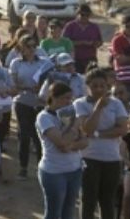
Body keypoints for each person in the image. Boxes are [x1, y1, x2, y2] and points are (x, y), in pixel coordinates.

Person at [74, 68, 129, 219]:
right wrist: (98, 108)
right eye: (94, 86)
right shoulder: (80, 103)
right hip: (89, 158)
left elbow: (123, 129)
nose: (98, 89)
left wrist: (98, 134)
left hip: (112, 158)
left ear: (107, 86)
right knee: (88, 200)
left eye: (102, 86)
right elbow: (86, 128)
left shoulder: (116, 103)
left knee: (107, 201)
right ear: (87, 87)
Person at [36, 82, 88, 219]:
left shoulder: (71, 116)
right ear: (53, 98)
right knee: (54, 212)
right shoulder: (44, 117)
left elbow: (84, 142)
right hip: (53, 172)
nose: (69, 102)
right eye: (65, 98)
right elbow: (60, 141)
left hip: (74, 169)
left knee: (69, 211)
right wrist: (75, 126)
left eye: (70, 98)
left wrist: (69, 146)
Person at [9, 36, 48, 179]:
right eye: (28, 46)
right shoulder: (16, 63)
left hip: (40, 104)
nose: (31, 49)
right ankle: (23, 167)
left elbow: (50, 81)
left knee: (39, 137)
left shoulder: (44, 63)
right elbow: (12, 85)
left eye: (34, 46)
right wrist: (26, 87)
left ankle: (41, 167)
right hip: (22, 102)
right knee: (24, 135)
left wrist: (42, 87)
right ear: (22, 48)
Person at [63, 4, 103, 74]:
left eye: (87, 15)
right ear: (77, 14)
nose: (84, 17)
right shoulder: (70, 26)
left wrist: (95, 43)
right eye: (82, 15)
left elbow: (100, 42)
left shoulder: (94, 27)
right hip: (75, 59)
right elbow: (64, 42)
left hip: (90, 58)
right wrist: (81, 42)